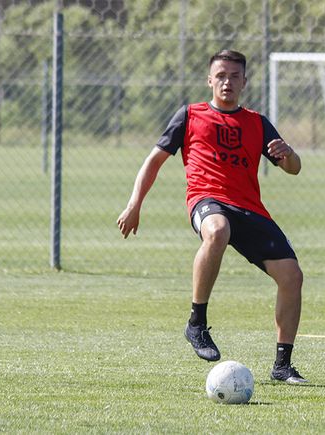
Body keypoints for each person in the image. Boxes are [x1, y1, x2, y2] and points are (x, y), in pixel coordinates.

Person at [117, 49, 307, 384]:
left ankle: (282, 365)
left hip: (249, 208)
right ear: (209, 80)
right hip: (207, 201)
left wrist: (289, 154)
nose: (227, 82)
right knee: (217, 230)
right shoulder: (190, 116)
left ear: (245, 82)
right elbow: (153, 161)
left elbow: (293, 169)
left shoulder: (257, 123)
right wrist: (135, 204)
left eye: (235, 76)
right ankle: (197, 323)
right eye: (221, 75)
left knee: (292, 275)